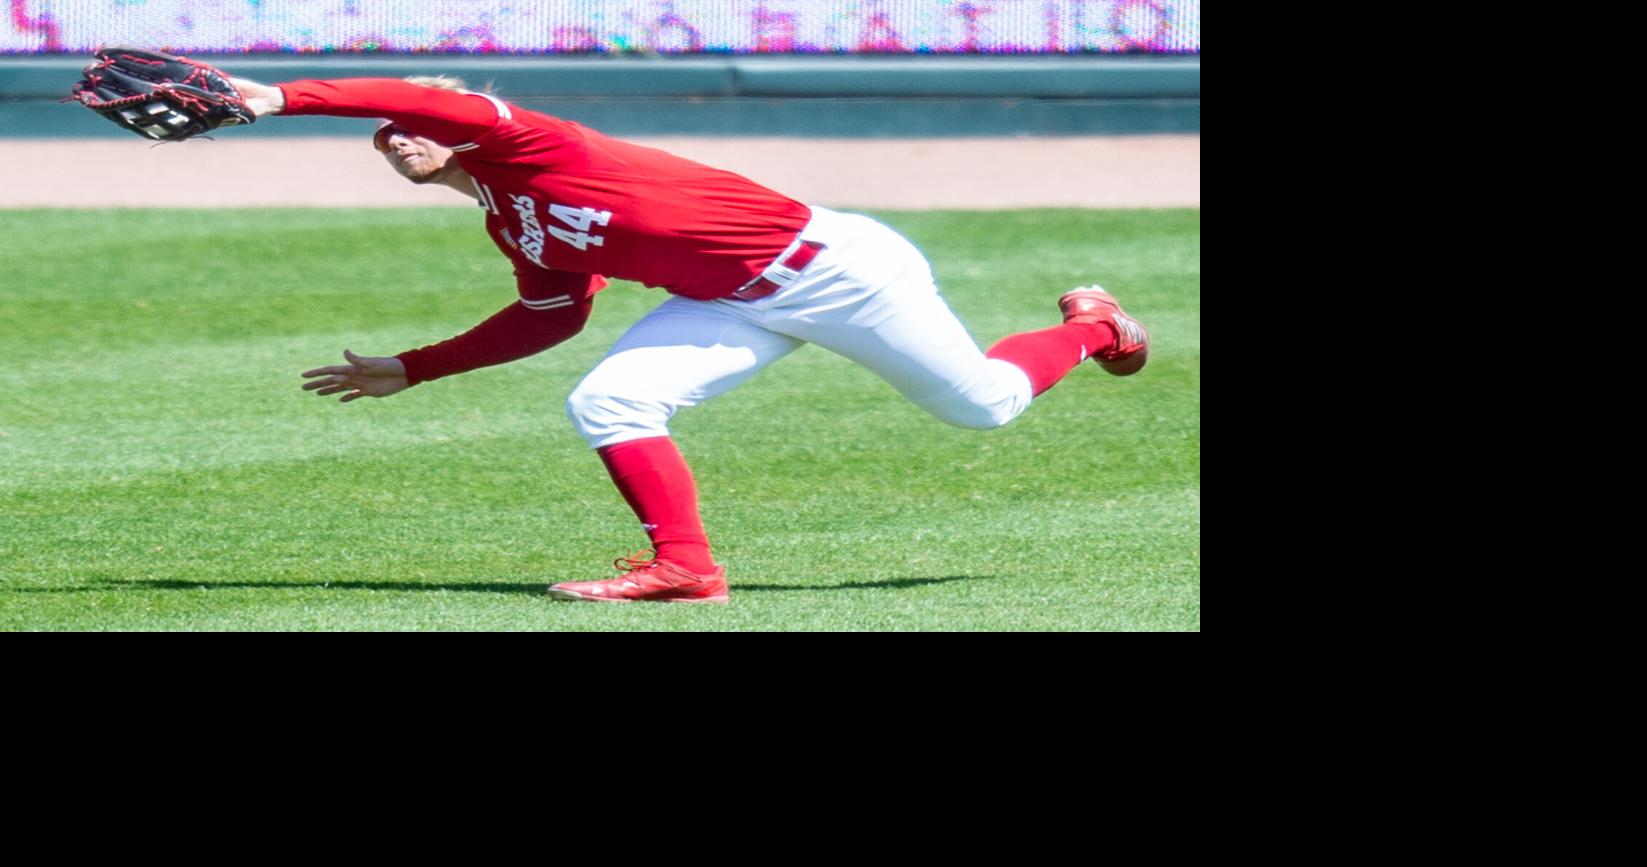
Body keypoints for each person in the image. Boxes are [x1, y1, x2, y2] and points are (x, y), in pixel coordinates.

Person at [228, 75, 1149, 604]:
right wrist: (415, 367)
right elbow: (553, 315)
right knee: (605, 398)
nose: (398, 141)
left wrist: (278, 97)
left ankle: (1094, 323)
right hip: (729, 300)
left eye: (411, 128)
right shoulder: (514, 224)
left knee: (983, 406)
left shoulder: (537, 148)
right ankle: (685, 568)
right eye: (385, 141)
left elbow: (434, 102)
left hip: (837, 270)